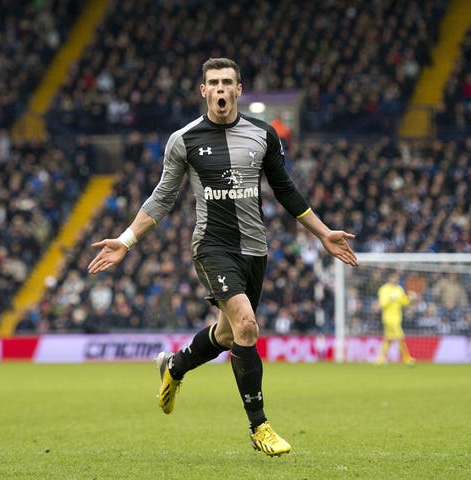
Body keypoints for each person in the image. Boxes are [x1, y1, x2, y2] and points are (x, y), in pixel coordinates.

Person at [87, 58, 358, 456]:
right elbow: (163, 197)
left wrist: (323, 233)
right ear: (203, 91)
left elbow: (285, 189)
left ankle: (175, 367)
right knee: (247, 325)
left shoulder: (263, 135)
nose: (219, 89)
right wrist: (125, 241)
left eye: (226, 82)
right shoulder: (185, 139)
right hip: (212, 247)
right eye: (212, 82)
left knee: (229, 334)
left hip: (255, 250)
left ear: (238, 90)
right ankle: (259, 426)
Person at [375, 271, 416, 365]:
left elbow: (404, 302)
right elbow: (382, 304)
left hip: (397, 318)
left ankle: (380, 359)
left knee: (388, 339)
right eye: (394, 277)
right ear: (389, 278)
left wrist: (410, 298)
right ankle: (407, 358)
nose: (396, 279)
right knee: (400, 337)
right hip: (388, 318)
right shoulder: (384, 289)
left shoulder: (399, 289)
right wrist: (391, 299)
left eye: (397, 278)